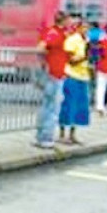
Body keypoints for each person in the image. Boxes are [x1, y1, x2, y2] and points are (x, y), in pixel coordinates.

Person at [34, 11, 71, 149]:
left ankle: (41, 136)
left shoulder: (55, 32)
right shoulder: (55, 34)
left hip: (54, 72)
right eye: (69, 20)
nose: (71, 22)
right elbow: (41, 48)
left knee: (46, 106)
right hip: (54, 74)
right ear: (64, 20)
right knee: (53, 108)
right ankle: (46, 138)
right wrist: (46, 63)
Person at [59, 17, 91, 145]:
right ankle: (62, 134)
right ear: (77, 27)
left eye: (87, 27)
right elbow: (71, 61)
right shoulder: (72, 40)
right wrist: (85, 56)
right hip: (71, 75)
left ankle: (72, 134)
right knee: (67, 105)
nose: (86, 29)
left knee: (79, 107)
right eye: (84, 27)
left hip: (83, 76)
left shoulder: (86, 41)